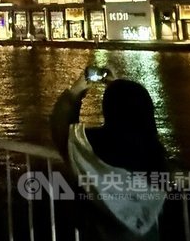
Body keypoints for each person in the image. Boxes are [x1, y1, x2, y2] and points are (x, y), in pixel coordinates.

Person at [51, 68, 168, 240]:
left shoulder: (89, 149)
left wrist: (76, 91)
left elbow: (62, 130)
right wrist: (117, 87)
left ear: (108, 109)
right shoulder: (155, 155)